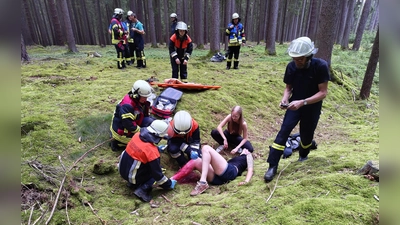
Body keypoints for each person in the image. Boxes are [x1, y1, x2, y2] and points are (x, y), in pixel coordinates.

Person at [263, 36, 330, 183]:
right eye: (294, 58)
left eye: (300, 59)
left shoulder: (321, 66)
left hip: (312, 106)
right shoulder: (291, 67)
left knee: (306, 135)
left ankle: (303, 155)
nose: (297, 61)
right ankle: (272, 165)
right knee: (284, 131)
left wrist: (304, 102)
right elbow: (288, 88)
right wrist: (285, 98)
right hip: (294, 105)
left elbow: (323, 92)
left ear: (308, 56)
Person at [118, 120, 177, 202]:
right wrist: (168, 184)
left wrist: (156, 148)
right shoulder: (152, 152)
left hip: (122, 170)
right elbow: (158, 175)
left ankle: (132, 183)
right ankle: (142, 190)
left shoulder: (137, 135)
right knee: (157, 172)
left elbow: (142, 149)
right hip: (132, 176)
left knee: (141, 164)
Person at [171, 145, 254, 196]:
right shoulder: (237, 157)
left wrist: (246, 181)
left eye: (245, 149)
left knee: (206, 148)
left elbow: (250, 169)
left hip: (230, 172)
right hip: (218, 179)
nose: (244, 149)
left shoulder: (248, 155)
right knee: (196, 161)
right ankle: (172, 180)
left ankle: (202, 182)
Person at [110, 80, 155, 151]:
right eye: (144, 97)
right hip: (123, 133)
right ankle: (118, 142)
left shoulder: (138, 101)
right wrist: (141, 131)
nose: (146, 99)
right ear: (136, 95)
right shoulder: (127, 106)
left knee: (150, 121)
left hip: (131, 125)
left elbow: (144, 115)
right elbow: (129, 124)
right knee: (142, 142)